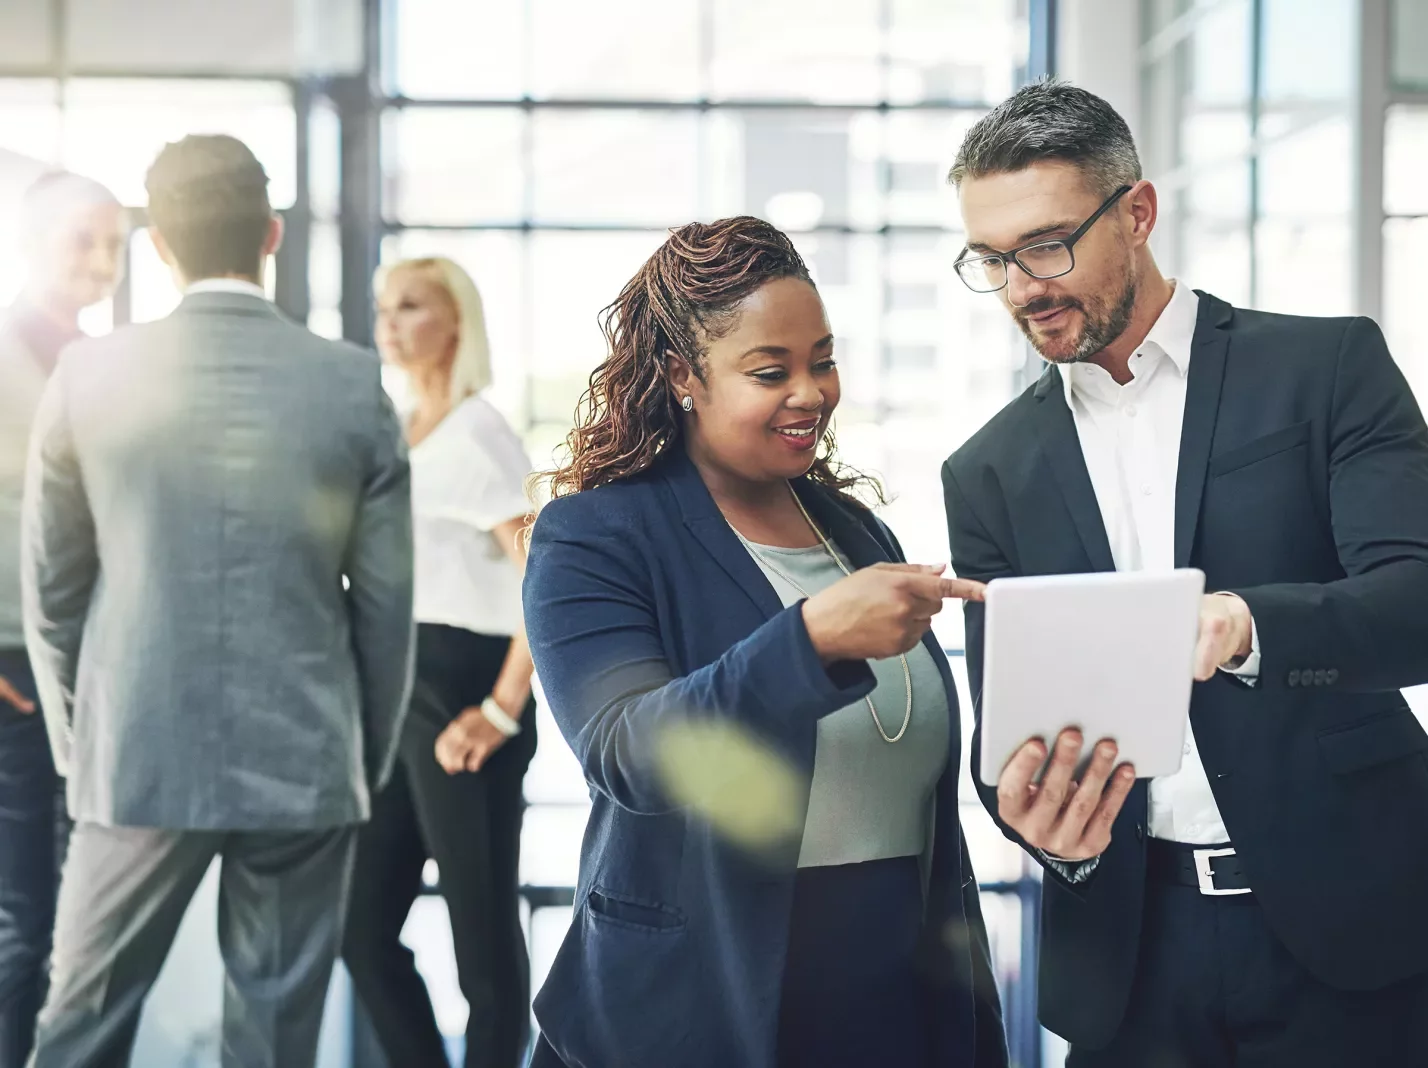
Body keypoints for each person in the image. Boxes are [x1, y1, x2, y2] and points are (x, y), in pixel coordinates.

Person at [942, 80, 1428, 1067]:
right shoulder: (986, 470)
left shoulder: (1326, 368)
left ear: (1137, 213)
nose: (1024, 286)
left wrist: (1246, 625)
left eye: (1046, 244)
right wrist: (1045, 832)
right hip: (1133, 967)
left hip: (1352, 936)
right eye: (992, 261)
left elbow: (1418, 605)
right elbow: (1013, 735)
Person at [522, 216, 1007, 1068]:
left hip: (889, 1009)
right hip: (699, 1012)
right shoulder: (595, 536)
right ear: (682, 376)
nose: (811, 392)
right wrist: (812, 638)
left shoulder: (854, 531)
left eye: (822, 360)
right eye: (770, 371)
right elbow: (627, 749)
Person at [20, 134, 415, 1068]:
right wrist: (359, 753)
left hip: (135, 756)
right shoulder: (352, 384)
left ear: (161, 248)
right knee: (276, 1043)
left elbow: (53, 589)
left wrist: (87, 746)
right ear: (271, 235)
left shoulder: (89, 375)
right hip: (306, 757)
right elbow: (387, 607)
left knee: (77, 1030)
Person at [342, 256, 538, 1068]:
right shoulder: (396, 427)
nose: (389, 321)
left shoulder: (478, 431)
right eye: (384, 306)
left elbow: (546, 581)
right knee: (360, 930)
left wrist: (501, 709)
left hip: (465, 684)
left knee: (483, 949)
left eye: (411, 306)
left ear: (454, 323)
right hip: (397, 690)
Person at [0, 171, 123, 1068]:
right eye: (82, 238)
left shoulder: (108, 368)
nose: (101, 259)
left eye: (114, 241)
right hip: (10, 673)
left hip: (92, 675)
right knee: (22, 926)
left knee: (85, 931)